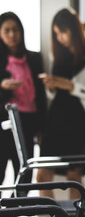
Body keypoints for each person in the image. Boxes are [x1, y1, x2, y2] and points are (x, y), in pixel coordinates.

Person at [36, 8, 85, 217]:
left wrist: (71, 85)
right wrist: (52, 86)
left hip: (80, 122)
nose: (60, 38)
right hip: (55, 121)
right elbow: (52, 96)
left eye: (62, 33)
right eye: (56, 34)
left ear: (74, 31)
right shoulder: (57, 55)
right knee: (42, 176)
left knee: (74, 177)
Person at [0, 12, 47, 186]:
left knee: (25, 174)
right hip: (4, 124)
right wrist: (2, 86)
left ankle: (11, 213)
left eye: (15, 30)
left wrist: (41, 128)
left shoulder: (34, 58)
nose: (12, 35)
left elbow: (40, 96)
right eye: (7, 30)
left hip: (28, 123)